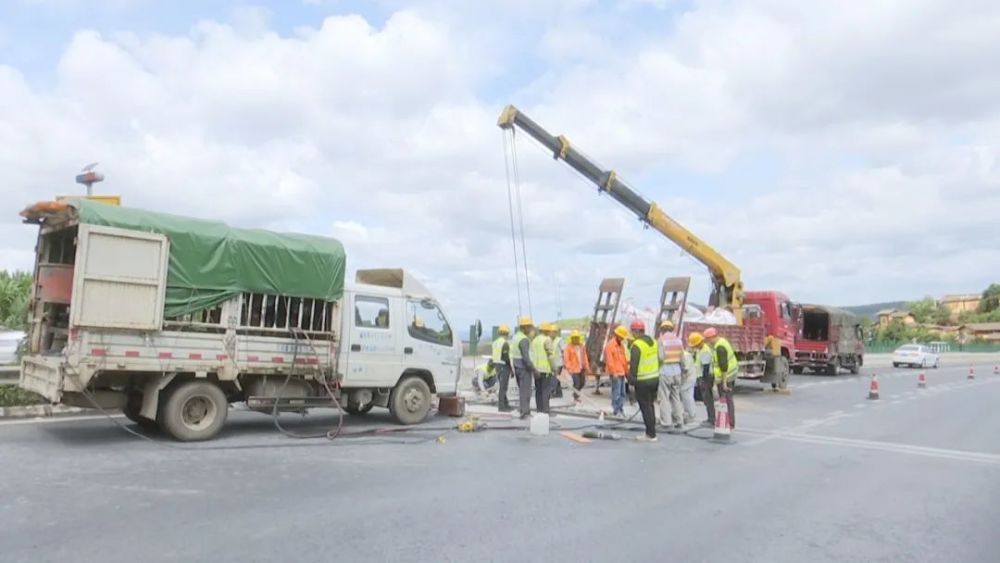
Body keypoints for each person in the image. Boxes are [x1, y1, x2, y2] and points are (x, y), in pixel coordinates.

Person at [627, 319, 660, 442]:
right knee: (650, 405)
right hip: (654, 378)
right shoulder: (654, 342)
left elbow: (634, 365)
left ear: (636, 331)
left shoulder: (637, 345)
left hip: (643, 380)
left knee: (645, 407)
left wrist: (631, 382)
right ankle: (652, 431)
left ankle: (650, 434)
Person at [656, 320, 688, 431]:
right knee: (675, 397)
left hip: (666, 371)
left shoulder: (662, 340)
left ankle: (666, 422)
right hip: (677, 372)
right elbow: (682, 357)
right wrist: (684, 370)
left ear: (662, 329)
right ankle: (679, 421)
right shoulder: (678, 340)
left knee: (664, 397)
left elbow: (660, 357)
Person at [704, 327, 738, 429]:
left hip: (727, 376)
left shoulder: (720, 347)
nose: (708, 342)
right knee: (727, 399)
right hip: (729, 374)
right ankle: (728, 422)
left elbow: (723, 366)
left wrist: (724, 382)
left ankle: (730, 423)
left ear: (712, 337)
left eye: (708, 339)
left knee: (727, 400)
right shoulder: (721, 342)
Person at [510, 317, 537, 419]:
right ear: (524, 327)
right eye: (529, 327)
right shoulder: (524, 340)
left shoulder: (516, 337)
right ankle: (525, 412)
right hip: (524, 367)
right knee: (525, 391)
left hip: (517, 366)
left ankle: (523, 410)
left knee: (522, 390)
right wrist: (533, 369)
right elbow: (526, 357)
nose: (531, 329)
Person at [603, 324, 630, 417]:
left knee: (622, 393)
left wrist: (627, 372)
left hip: (621, 372)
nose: (622, 339)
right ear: (617, 335)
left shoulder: (621, 345)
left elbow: (624, 360)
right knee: (616, 393)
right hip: (615, 373)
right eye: (621, 337)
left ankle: (620, 409)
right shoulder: (610, 346)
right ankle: (616, 410)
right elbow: (610, 361)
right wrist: (613, 372)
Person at [689, 332, 715, 427]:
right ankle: (711, 418)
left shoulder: (705, 351)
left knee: (708, 399)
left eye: (695, 344)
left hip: (706, 378)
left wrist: (704, 380)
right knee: (706, 399)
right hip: (703, 377)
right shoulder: (701, 350)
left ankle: (711, 419)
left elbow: (706, 367)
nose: (694, 346)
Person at [530, 323, 555, 414]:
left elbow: (531, 355)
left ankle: (539, 410)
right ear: (546, 331)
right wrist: (554, 368)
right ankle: (546, 411)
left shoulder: (534, 340)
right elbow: (550, 356)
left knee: (538, 391)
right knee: (545, 391)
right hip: (545, 370)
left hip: (536, 370)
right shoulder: (547, 340)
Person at [563, 330, 590, 404]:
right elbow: (566, 358)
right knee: (577, 383)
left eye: (577, 337)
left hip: (582, 368)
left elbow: (585, 356)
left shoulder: (582, 346)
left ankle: (575, 394)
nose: (575, 339)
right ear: (571, 338)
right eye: (574, 338)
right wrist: (569, 368)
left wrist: (586, 366)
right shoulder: (568, 347)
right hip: (573, 369)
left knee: (582, 383)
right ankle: (575, 397)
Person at [491, 324, 513, 412]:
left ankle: (505, 403)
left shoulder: (495, 342)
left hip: (497, 366)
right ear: (507, 333)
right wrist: (511, 368)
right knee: (503, 387)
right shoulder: (505, 343)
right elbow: (506, 357)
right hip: (504, 366)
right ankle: (502, 406)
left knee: (502, 386)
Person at [548, 324, 565, 399]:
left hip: (558, 363)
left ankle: (552, 392)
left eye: (553, 332)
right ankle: (559, 392)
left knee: (554, 378)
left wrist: (565, 362)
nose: (552, 333)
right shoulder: (548, 340)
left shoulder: (559, 340)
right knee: (556, 378)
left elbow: (564, 350)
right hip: (552, 363)